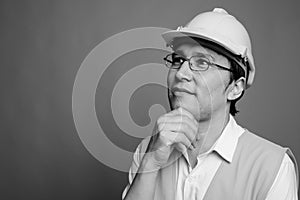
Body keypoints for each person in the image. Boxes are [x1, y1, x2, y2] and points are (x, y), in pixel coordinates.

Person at [122, 8, 299, 200]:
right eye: (178, 59)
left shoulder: (272, 167)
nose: (181, 74)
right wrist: (149, 164)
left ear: (235, 88)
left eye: (202, 63)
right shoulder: (148, 150)